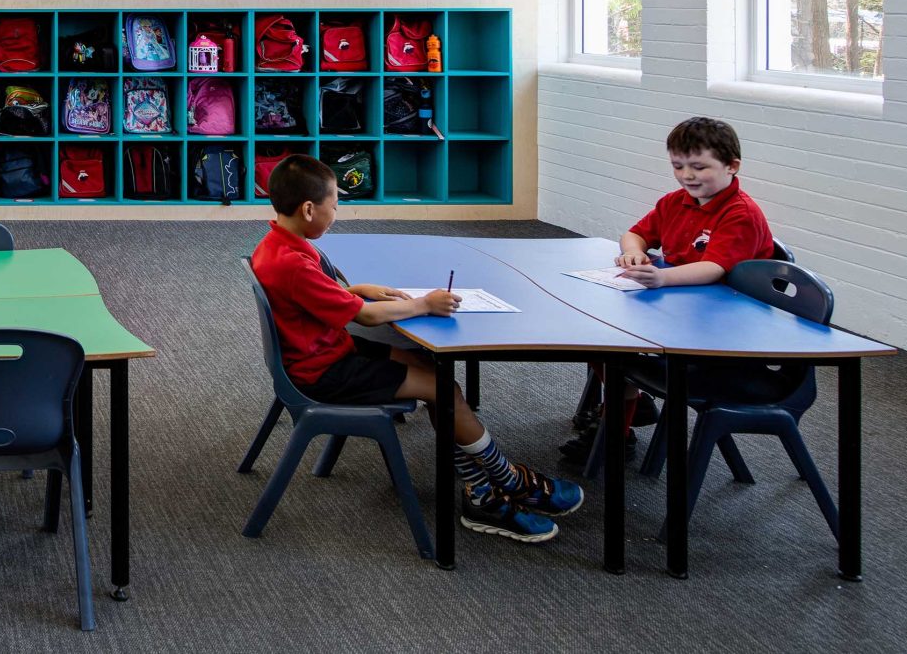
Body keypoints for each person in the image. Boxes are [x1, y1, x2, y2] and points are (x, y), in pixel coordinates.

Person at [252, 154, 582, 543]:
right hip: (324, 372)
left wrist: (356, 288)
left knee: (431, 367)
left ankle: (481, 489)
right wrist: (425, 303)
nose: (336, 213)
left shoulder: (278, 245)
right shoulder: (293, 263)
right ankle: (504, 480)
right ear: (309, 209)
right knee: (443, 388)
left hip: (322, 352)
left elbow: (320, 295)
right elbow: (368, 318)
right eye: (335, 206)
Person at [561, 116, 778, 463]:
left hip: (723, 332)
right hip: (680, 311)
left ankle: (617, 430)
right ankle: (631, 402)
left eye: (698, 167)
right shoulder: (675, 202)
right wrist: (633, 251)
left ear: (732, 166)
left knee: (614, 350)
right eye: (678, 166)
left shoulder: (741, 214)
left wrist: (661, 278)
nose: (687, 175)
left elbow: (715, 268)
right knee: (595, 333)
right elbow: (636, 233)